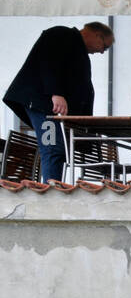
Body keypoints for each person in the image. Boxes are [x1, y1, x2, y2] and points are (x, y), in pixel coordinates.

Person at [3, 22, 114, 181]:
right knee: (52, 148)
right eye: (105, 46)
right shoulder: (61, 34)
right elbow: (48, 62)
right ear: (97, 35)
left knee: (57, 149)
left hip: (51, 108)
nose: (103, 52)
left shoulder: (78, 50)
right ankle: (51, 190)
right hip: (43, 105)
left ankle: (53, 186)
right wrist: (56, 93)